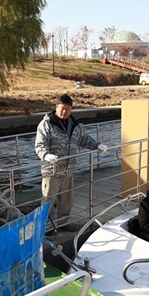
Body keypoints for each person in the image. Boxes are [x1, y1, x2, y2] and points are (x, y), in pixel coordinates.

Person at [34, 94, 108, 230]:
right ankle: (46, 228)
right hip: (52, 171)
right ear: (56, 107)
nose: (64, 111)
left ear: (71, 109)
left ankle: (63, 224)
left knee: (67, 201)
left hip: (68, 170)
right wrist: (46, 155)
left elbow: (83, 139)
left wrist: (97, 145)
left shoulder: (74, 124)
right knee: (48, 201)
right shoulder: (46, 124)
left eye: (68, 108)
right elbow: (40, 145)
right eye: (62, 108)